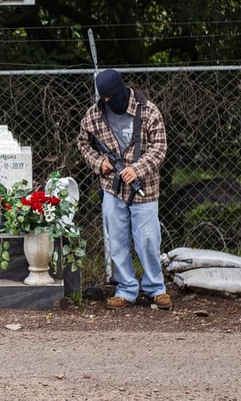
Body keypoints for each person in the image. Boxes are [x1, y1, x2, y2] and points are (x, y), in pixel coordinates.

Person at [76, 69, 171, 310]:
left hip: (145, 188)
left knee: (148, 240)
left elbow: (159, 148)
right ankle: (126, 289)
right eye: (104, 98)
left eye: (111, 97)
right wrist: (100, 164)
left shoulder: (148, 111)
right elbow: (83, 143)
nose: (108, 102)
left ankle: (155, 288)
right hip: (111, 188)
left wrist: (137, 169)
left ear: (120, 90)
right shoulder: (94, 115)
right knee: (117, 240)